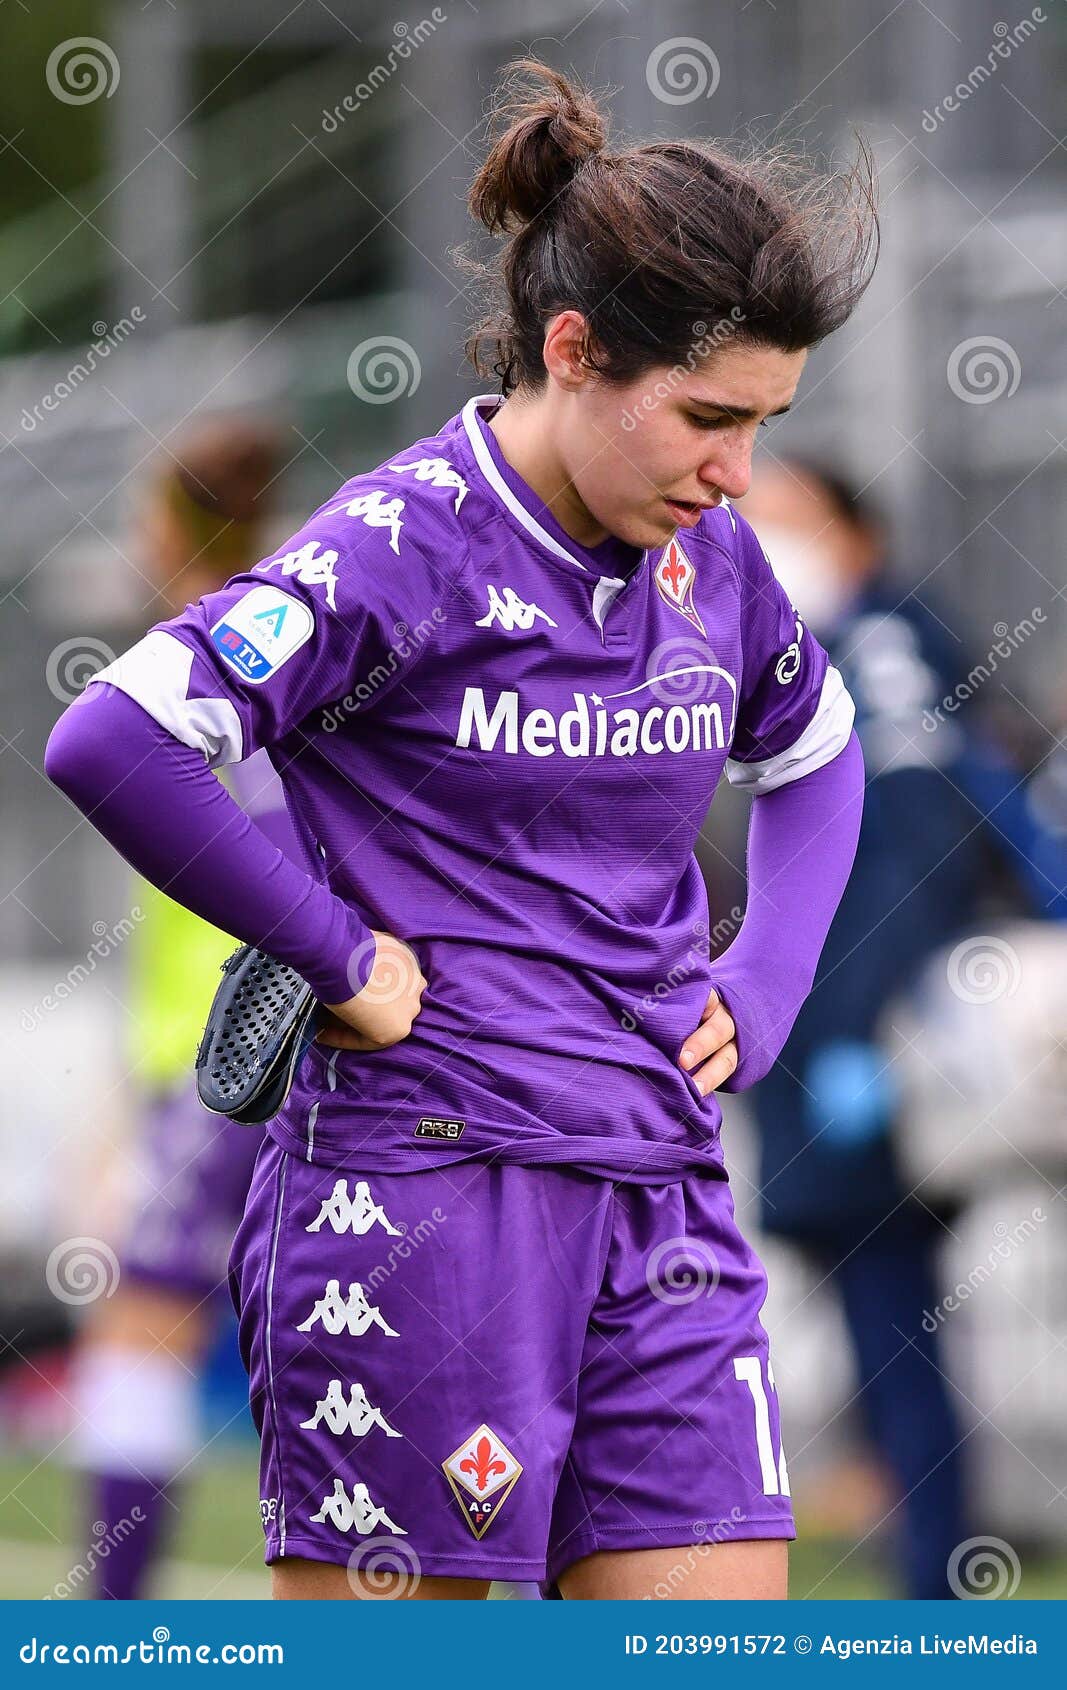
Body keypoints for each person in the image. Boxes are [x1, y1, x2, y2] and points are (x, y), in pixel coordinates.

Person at [46, 59, 876, 1601]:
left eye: (762, 425)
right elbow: (114, 735)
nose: (735, 472)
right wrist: (332, 947)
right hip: (419, 1189)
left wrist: (763, 978)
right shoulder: (397, 543)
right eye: (705, 417)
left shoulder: (715, 559)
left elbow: (821, 752)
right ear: (572, 352)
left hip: (658, 1183)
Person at [737, 456, 1067, 1598]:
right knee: (878, 1312)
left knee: (892, 1312)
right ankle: (923, 1558)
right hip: (835, 1038)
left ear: (851, 535)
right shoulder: (817, 650)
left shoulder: (874, 649)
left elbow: (906, 845)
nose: (751, 533)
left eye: (781, 516)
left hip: (875, 1044)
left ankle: (934, 1584)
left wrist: (851, 1024)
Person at [64, 419, 307, 1599]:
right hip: (216, 1064)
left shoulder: (209, 663)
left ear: (171, 525)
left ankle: (115, 1630)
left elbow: (270, 857)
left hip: (233, 1064)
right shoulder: (285, 639)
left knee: (144, 1332)